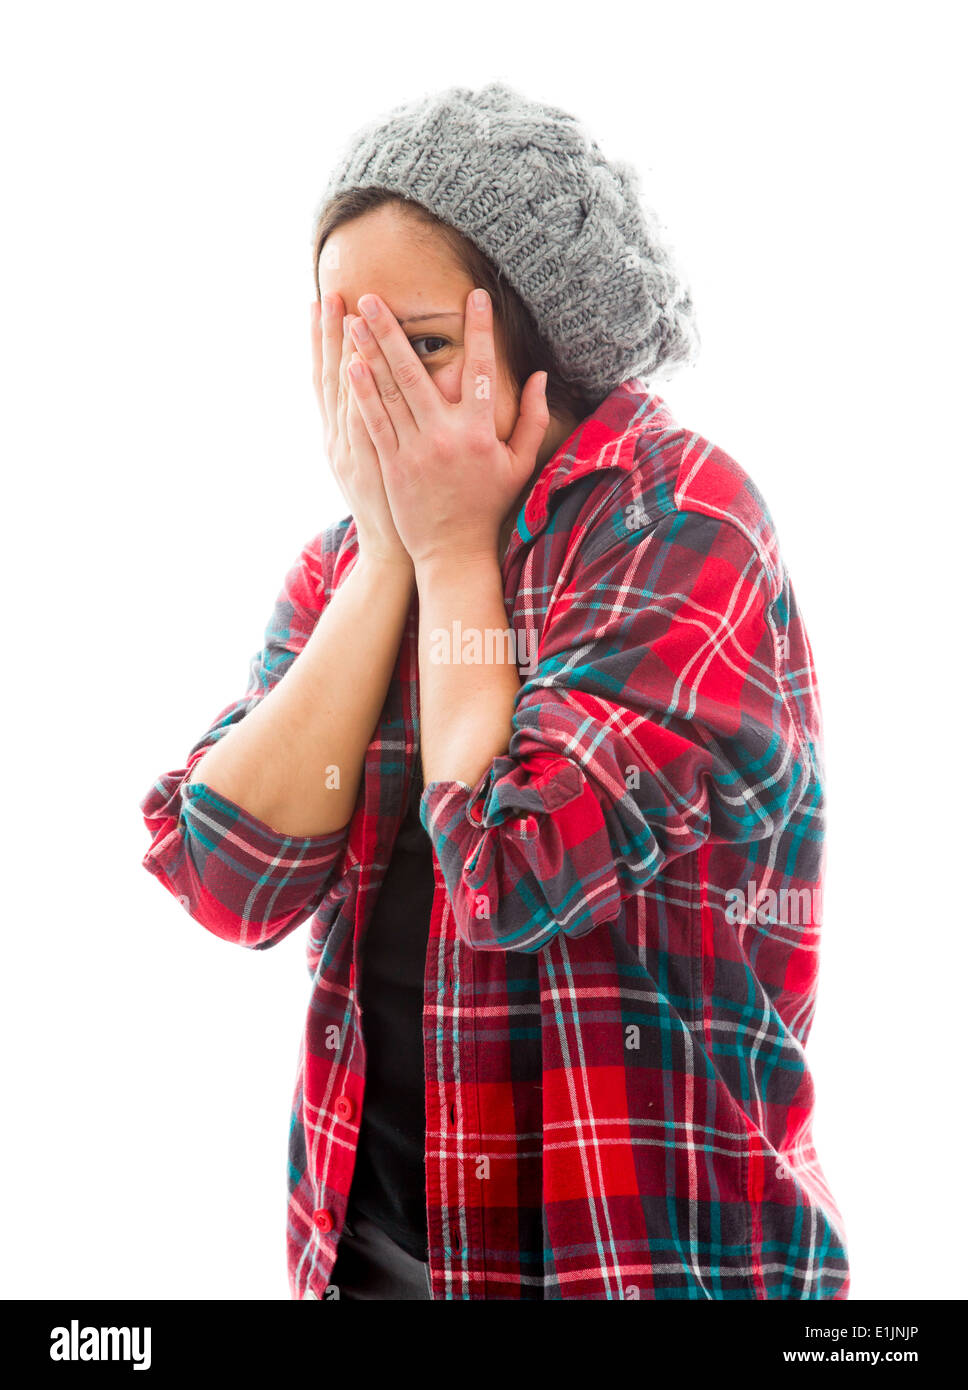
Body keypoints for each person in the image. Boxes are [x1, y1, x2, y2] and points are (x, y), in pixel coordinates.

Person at [140, 80, 850, 1300]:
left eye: (414, 351)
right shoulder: (350, 559)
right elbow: (225, 876)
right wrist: (389, 559)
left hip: (640, 1269)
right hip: (372, 1265)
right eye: (342, 352)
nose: (375, 403)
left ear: (541, 340)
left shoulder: (679, 521)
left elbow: (508, 868)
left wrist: (457, 558)